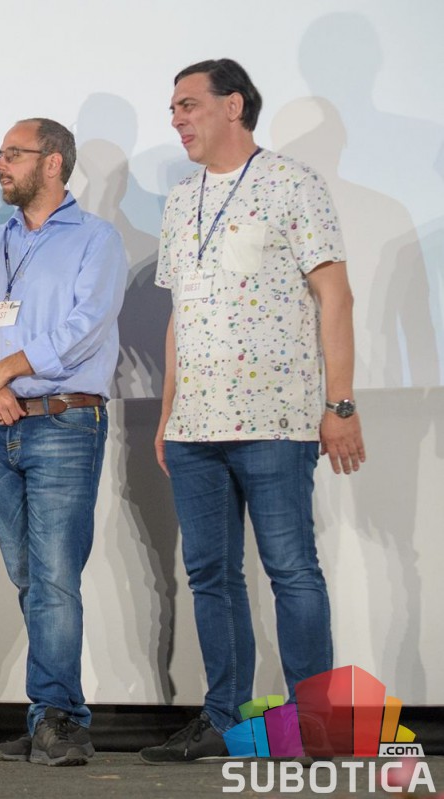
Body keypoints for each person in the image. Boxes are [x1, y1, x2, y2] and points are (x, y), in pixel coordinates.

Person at [139, 59, 365, 764]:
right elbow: (180, 315)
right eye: (172, 108)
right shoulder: (181, 199)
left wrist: (340, 403)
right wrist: (168, 413)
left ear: (233, 105)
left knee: (292, 569)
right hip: (194, 428)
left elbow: (335, 297)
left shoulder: (293, 183)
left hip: (275, 421)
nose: (176, 119)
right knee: (211, 575)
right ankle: (223, 721)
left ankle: (316, 727)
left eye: (188, 104)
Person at [0, 119, 128, 767]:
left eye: (13, 154)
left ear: (53, 163)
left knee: (53, 577)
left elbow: (84, 329)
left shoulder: (95, 239)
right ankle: (54, 712)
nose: (1, 164)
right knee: (30, 577)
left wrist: (5, 370)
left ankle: (58, 718)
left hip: (62, 422)